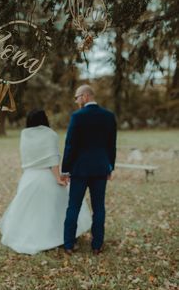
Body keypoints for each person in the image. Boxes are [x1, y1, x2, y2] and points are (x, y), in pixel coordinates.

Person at [0, 109, 91, 255]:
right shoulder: (50, 134)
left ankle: (29, 235)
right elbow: (53, 159)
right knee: (55, 209)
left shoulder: (24, 134)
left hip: (29, 177)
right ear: (44, 119)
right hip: (47, 176)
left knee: (30, 211)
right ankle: (56, 237)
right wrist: (58, 178)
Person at [62, 85, 117, 255]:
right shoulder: (108, 116)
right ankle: (97, 245)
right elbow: (111, 145)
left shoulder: (77, 117)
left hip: (79, 169)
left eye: (77, 97)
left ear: (85, 96)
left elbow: (70, 145)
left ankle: (69, 244)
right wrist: (110, 167)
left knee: (73, 207)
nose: (77, 101)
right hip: (100, 168)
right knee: (99, 208)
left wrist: (65, 169)